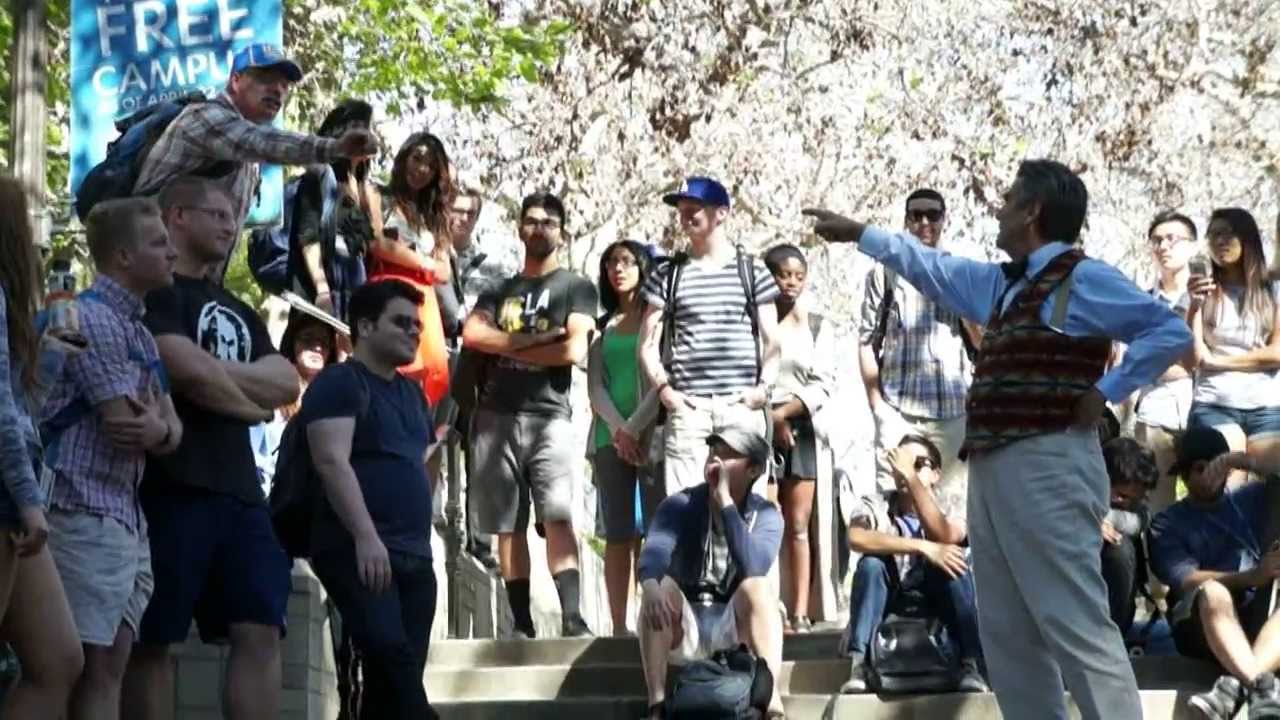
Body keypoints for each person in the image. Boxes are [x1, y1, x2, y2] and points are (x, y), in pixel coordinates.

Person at [806, 158, 1193, 720]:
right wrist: (863, 234)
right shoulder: (1005, 285)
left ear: (1033, 211)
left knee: (1074, 620)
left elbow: (1168, 330)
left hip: (1050, 461)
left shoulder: (1080, 277)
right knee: (1008, 632)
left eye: (1010, 199)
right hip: (995, 467)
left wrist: (1106, 389)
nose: (1000, 208)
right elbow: (933, 268)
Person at [122, 177, 298, 720]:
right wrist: (246, 402)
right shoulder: (154, 293)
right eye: (217, 214)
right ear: (177, 216)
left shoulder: (240, 309)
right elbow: (177, 366)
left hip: (244, 496)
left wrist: (212, 376)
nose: (230, 225)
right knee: (156, 640)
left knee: (261, 628)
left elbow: (286, 382)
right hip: (170, 487)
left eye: (233, 217)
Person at [37, 198, 182, 720]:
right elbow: (125, 425)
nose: (171, 252)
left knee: (111, 667)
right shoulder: (90, 319)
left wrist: (162, 429)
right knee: (77, 665)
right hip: (80, 508)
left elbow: (167, 426)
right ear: (123, 255)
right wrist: (160, 430)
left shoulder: (141, 333)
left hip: (124, 516)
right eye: (158, 243)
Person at [303, 280, 442, 720]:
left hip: (415, 556)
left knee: (393, 684)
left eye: (417, 326)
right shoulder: (339, 383)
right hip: (358, 549)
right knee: (392, 658)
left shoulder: (412, 395)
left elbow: (416, 465)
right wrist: (366, 537)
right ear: (364, 326)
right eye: (401, 323)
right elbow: (330, 461)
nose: (413, 333)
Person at [461, 192, 598, 638]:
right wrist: (527, 343)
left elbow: (573, 350)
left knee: (557, 515)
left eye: (549, 222)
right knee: (506, 525)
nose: (539, 228)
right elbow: (472, 334)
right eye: (532, 221)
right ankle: (520, 621)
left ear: (562, 231)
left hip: (550, 417)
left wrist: (506, 342)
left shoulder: (575, 287)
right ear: (519, 227)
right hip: (494, 417)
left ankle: (572, 618)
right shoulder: (499, 289)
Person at [134, 44, 378, 236]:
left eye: (284, 84)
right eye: (265, 78)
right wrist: (335, 147)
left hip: (184, 281)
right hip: (146, 268)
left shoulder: (247, 153)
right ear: (236, 80)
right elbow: (262, 141)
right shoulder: (206, 117)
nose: (277, 90)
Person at [0, 179, 85, 717]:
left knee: (58, 660)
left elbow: (19, 409)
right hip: (7, 493)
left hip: (12, 487)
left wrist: (49, 359)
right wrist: (30, 501)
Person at [638, 176, 780, 493]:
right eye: (682, 208)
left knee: (743, 514)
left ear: (722, 213)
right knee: (684, 512)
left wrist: (763, 390)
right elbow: (646, 344)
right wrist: (665, 391)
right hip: (688, 410)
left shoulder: (752, 270)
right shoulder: (668, 274)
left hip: (739, 407)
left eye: (695, 207)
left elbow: (773, 341)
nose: (687, 215)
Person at [636, 418, 784, 719]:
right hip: (686, 623)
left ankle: (771, 701)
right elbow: (656, 550)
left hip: (733, 627)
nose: (716, 458)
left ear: (753, 469)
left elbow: (754, 565)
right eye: (713, 449)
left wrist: (726, 503)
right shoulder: (680, 503)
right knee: (660, 587)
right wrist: (649, 584)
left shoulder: (766, 514)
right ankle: (657, 705)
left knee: (758, 587)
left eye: (729, 454)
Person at [1149, 427, 1280, 719]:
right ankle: (1259, 683)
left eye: (1219, 464)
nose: (1211, 473)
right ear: (1184, 474)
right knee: (1212, 590)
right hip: (1200, 622)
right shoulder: (1167, 522)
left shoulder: (1252, 498)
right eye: (1200, 467)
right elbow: (1185, 579)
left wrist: (1248, 463)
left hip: (1254, 615)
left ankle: (1236, 685)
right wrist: (1251, 577)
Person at [840, 435, 987, 694]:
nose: (907, 471)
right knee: (871, 564)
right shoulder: (876, 503)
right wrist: (922, 547)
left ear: (936, 474)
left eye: (919, 463)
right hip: (891, 596)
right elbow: (856, 537)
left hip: (938, 597)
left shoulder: (953, 503)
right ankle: (859, 663)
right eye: (903, 463)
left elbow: (944, 536)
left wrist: (911, 477)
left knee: (952, 561)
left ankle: (970, 663)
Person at [858, 188, 974, 501]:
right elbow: (867, 342)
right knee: (893, 503)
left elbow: (982, 343)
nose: (924, 222)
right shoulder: (884, 273)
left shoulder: (960, 271)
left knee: (950, 505)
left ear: (944, 220)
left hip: (952, 413)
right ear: (906, 220)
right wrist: (877, 406)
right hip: (898, 411)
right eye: (916, 215)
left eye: (932, 215)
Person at [588, 240, 663, 636]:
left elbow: (662, 380)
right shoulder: (603, 327)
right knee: (618, 533)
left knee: (655, 529)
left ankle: (656, 622)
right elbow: (595, 388)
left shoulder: (659, 320)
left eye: (627, 262)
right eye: (611, 263)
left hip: (652, 436)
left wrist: (636, 427)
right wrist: (620, 430)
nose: (618, 269)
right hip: (609, 438)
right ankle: (618, 626)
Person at [762, 243, 835, 633]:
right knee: (765, 520)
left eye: (797, 276)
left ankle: (801, 611)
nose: (790, 283)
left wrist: (785, 413)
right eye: (782, 274)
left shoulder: (817, 325)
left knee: (799, 523)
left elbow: (824, 383)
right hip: (759, 427)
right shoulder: (754, 322)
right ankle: (768, 606)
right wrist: (769, 418)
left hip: (802, 428)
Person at [1186, 207, 1280, 486]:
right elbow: (1195, 357)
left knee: (1271, 489)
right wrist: (1194, 308)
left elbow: (1276, 353)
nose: (1220, 242)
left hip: (1267, 405)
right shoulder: (1201, 292)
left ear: (1247, 238)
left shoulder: (1272, 290)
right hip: (1215, 402)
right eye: (1213, 235)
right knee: (1229, 485)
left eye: (1227, 233)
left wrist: (1219, 362)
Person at [369, 132, 454, 407]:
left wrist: (406, 254)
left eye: (430, 165)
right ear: (404, 156)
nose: (421, 169)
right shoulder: (379, 195)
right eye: (416, 159)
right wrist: (423, 261)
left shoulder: (435, 214)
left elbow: (444, 272)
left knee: (419, 381)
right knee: (383, 371)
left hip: (423, 301)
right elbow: (377, 244)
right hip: (386, 291)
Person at [1129, 211, 1197, 511]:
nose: (1164, 246)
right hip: (1155, 412)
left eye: (1173, 238)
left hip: (1206, 407)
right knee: (1156, 508)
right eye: (1157, 240)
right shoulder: (1141, 303)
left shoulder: (1211, 297)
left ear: (1193, 246)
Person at [293, 99, 378, 323]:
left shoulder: (363, 187)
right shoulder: (320, 174)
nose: (366, 134)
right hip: (326, 290)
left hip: (355, 292)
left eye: (368, 127)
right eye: (359, 127)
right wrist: (321, 290)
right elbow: (308, 235)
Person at [1099, 437, 1160, 638]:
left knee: (1120, 549)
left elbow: (1138, 520)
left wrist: (1108, 518)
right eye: (1120, 495)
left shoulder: (1135, 509)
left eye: (1134, 499)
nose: (1123, 503)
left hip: (1114, 608)